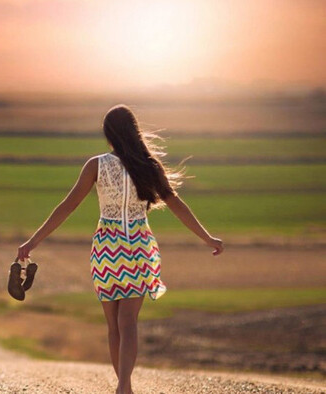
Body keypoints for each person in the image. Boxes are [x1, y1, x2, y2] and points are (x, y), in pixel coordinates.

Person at [15, 104, 224, 394]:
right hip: (138, 246)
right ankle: (124, 385)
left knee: (114, 326)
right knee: (128, 324)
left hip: (106, 248)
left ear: (109, 135)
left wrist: (32, 241)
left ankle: (123, 386)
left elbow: (68, 206)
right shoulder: (149, 165)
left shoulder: (96, 164)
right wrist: (208, 238)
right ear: (134, 132)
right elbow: (176, 204)